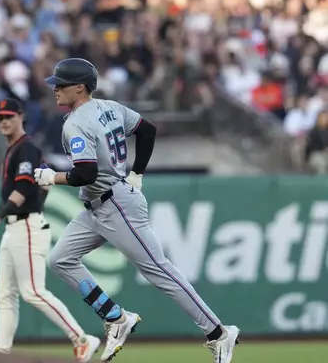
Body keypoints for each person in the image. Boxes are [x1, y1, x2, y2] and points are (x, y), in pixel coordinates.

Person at [33, 58, 240, 362]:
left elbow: (86, 173)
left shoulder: (76, 122)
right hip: (98, 205)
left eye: (61, 84)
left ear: (80, 87)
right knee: (60, 259)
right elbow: (148, 131)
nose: (56, 89)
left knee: (159, 269)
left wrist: (53, 176)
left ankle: (218, 333)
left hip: (114, 204)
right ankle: (116, 317)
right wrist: (137, 173)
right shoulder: (110, 108)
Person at [0, 98, 101, 362]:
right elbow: (43, 185)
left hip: (26, 226)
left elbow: (25, 188)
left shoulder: (26, 148)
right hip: (18, 227)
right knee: (5, 295)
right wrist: (33, 206)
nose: (3, 121)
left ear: (20, 117)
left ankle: (82, 338)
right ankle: (1, 354)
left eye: (8, 116)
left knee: (33, 292)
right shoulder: (18, 149)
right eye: (0, 118)